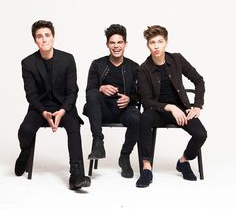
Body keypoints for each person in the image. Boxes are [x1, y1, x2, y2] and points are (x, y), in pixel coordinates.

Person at [15, 20, 91, 190]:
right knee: (25, 130)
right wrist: (43, 112)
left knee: (73, 126)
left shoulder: (67, 59)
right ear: (35, 40)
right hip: (40, 107)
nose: (44, 39)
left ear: (53, 37)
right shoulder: (27, 63)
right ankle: (25, 151)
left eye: (47, 35)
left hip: (64, 106)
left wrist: (63, 110)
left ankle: (77, 174)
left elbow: (73, 91)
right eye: (39, 37)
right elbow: (31, 95)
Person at [136, 25, 207, 187]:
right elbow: (146, 101)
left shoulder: (177, 59)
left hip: (182, 110)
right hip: (158, 111)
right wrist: (170, 107)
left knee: (201, 134)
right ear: (148, 45)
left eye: (160, 41)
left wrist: (197, 106)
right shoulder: (143, 69)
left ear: (166, 43)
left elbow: (199, 80)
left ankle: (183, 161)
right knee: (144, 118)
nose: (156, 46)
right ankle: (146, 168)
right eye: (152, 42)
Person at [83, 24, 140, 178]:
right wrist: (101, 88)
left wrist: (129, 99)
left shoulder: (134, 67)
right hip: (101, 110)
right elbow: (89, 90)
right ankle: (98, 142)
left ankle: (124, 157)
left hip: (123, 110)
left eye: (119, 42)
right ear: (107, 44)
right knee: (93, 93)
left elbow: (139, 95)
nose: (116, 46)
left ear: (125, 44)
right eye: (112, 42)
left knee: (137, 118)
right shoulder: (97, 64)